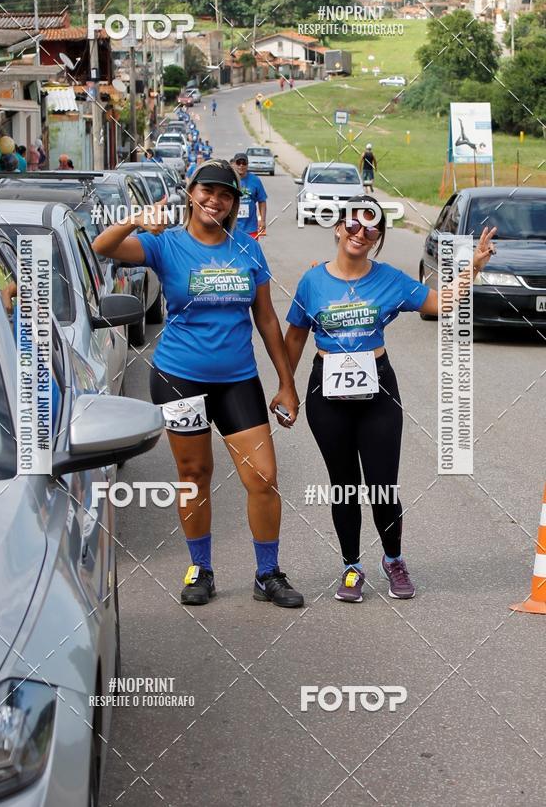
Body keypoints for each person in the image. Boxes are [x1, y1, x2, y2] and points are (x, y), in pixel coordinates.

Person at [92, 159, 303, 609]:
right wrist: (135, 219)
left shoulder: (247, 248)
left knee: (263, 476)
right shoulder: (166, 244)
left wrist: (286, 382)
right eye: (207, 191)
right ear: (191, 193)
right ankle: (200, 569)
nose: (215, 200)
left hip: (238, 380)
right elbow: (103, 246)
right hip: (178, 378)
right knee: (193, 476)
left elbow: (265, 318)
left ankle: (268, 573)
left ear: (233, 203)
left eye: (225, 195)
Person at [284, 196, 497, 603]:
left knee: (383, 483)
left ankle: (393, 559)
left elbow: (440, 302)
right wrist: (286, 387)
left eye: (371, 228)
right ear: (337, 228)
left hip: (378, 390)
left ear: (377, 238)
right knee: (343, 484)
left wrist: (473, 268)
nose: (360, 233)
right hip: (325, 391)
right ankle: (351, 566)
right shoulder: (312, 282)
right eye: (353, 224)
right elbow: (294, 335)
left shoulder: (389, 279)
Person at [232, 152, 267, 239]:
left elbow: (262, 201)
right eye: (238, 163)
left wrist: (262, 220)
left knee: (250, 251)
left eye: (244, 163)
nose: (241, 165)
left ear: (247, 165)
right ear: (234, 164)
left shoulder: (255, 180)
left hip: (250, 228)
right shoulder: (229, 179)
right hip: (232, 227)